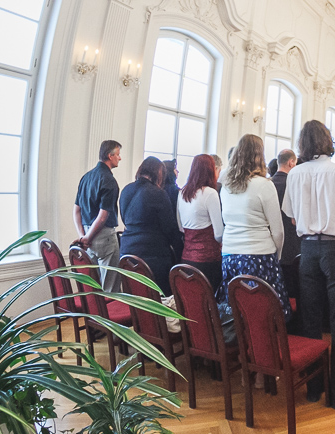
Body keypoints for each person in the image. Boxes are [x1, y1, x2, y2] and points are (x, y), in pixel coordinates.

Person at [282, 120, 335, 409]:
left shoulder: (295, 173)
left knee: (311, 319)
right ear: (328, 141)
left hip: (307, 249)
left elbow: (293, 218)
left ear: (302, 144)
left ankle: (314, 387)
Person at [220, 134, 287, 333]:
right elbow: (278, 230)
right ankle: (263, 349)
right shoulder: (264, 185)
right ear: (259, 155)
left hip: (230, 255)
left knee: (237, 311)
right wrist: (277, 255)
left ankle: (242, 347)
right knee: (263, 315)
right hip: (258, 256)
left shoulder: (226, 185)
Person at [118, 156, 184, 295]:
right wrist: (181, 253)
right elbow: (170, 228)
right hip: (153, 255)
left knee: (134, 294)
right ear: (159, 173)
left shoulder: (126, 190)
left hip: (126, 252)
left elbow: (124, 218)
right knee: (160, 297)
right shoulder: (158, 193)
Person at [74, 140, 122, 291]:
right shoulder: (109, 180)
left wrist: (83, 237)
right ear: (110, 156)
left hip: (87, 234)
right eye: (118, 154)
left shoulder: (86, 177)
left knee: (93, 287)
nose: (120, 158)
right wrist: (87, 238)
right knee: (110, 288)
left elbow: (76, 210)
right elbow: (102, 216)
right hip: (104, 234)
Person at [176, 154, 224, 293]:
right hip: (208, 261)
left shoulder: (182, 192)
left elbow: (181, 227)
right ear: (211, 170)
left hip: (186, 260)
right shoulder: (210, 193)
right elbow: (219, 234)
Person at [270, 148, 301, 331]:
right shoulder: (294, 185)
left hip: (272, 246)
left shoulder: (269, 184)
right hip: (293, 244)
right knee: (294, 291)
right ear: (291, 162)